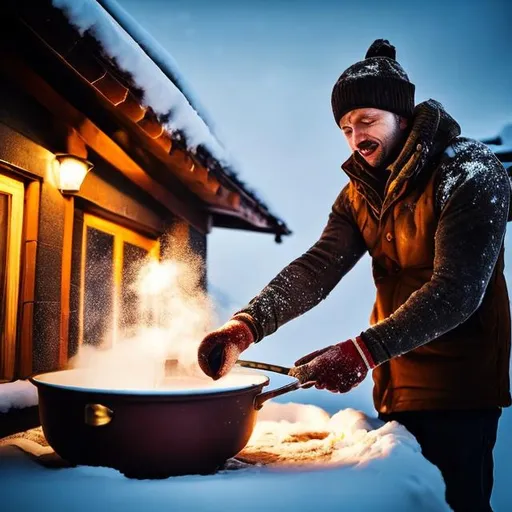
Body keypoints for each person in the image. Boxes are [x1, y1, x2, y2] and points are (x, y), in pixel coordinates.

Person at [197, 39, 511, 511]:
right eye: (345, 127)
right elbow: (318, 266)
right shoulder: (360, 194)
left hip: (459, 392)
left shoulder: (469, 171)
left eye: (366, 121)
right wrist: (247, 325)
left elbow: (457, 292)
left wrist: (360, 351)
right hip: (394, 384)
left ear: (401, 117)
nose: (355, 136)